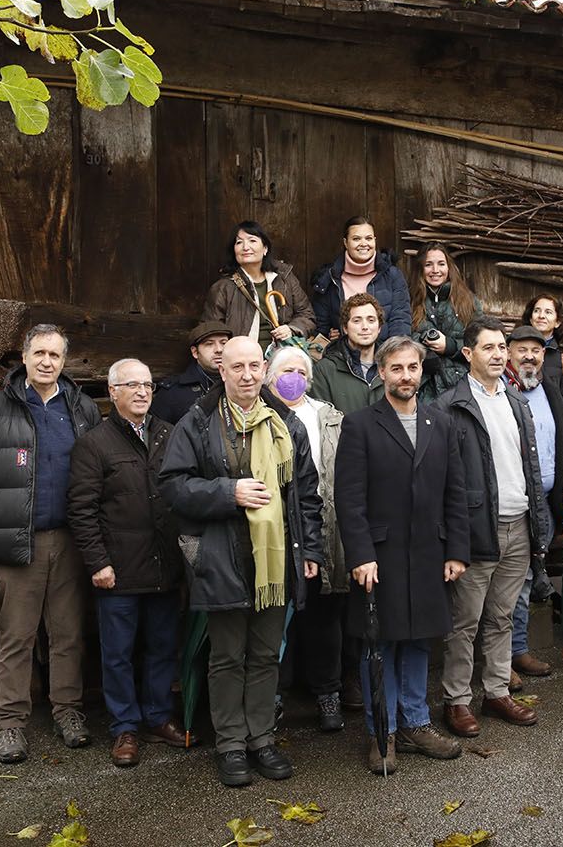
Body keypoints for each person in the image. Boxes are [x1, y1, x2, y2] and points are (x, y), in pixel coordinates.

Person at [158, 336, 324, 787]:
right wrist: (227, 493)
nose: (248, 375)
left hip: (275, 561)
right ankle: (231, 744)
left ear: (264, 370)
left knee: (267, 655)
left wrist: (311, 551)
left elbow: (306, 497)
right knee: (228, 656)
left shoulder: (288, 423)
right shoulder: (196, 423)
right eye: (238, 367)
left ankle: (262, 739)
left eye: (255, 366)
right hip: (221, 555)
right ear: (222, 371)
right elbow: (173, 486)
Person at [0, 324, 102, 764]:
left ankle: (68, 712)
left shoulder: (80, 408)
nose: (46, 361)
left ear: (64, 361)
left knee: (68, 635)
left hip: (71, 541)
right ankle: (11, 725)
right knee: (17, 637)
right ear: (24, 357)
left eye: (55, 355)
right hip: (19, 541)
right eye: (39, 353)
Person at [337, 336, 471, 774]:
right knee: (381, 641)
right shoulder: (360, 425)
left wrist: (456, 550)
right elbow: (349, 499)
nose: (406, 376)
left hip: (429, 553)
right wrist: (359, 554)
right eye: (396, 368)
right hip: (380, 555)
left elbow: (456, 491)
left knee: (417, 639)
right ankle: (383, 733)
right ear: (381, 372)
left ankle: (415, 724)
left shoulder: (441, 423)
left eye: (412, 368)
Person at [66, 358, 189, 767]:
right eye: (132, 385)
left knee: (161, 647)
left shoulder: (170, 436)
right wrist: (98, 562)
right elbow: (81, 510)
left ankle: (157, 715)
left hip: (164, 564)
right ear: (112, 391)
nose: (141, 392)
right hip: (117, 569)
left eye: (148, 385)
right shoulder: (94, 443)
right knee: (117, 652)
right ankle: (124, 727)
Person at [437, 317, 552, 737]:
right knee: (464, 621)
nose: (500, 354)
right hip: (475, 528)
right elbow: (443, 478)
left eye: (502, 346)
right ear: (468, 354)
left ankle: (497, 691)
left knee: (502, 616)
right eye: (489, 347)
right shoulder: (451, 406)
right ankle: (457, 700)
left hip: (517, 524)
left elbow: (529, 465)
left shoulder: (516, 401)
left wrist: (536, 520)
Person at [265, 346, 349, 733]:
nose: (293, 377)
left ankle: (327, 693)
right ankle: (275, 696)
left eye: (300, 370)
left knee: (323, 616)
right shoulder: (260, 415)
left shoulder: (328, 416)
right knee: (276, 619)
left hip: (321, 527)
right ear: (269, 375)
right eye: (286, 370)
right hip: (277, 531)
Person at [501, 325, 563, 680]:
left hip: (546, 501)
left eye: (537, 350)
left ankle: (518, 650)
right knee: (510, 582)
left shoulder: (547, 388)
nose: (530, 356)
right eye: (523, 350)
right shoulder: (501, 391)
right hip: (513, 503)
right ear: (508, 353)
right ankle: (503, 659)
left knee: (531, 577)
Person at [201, 221, 315, 354]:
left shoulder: (285, 279)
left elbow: (307, 315)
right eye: (239, 242)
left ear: (265, 248)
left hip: (283, 354)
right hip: (243, 358)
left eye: (252, 240)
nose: (245, 247)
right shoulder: (223, 287)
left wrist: (292, 329)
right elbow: (211, 329)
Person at [310, 215, 413, 344]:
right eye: (356, 239)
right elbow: (321, 328)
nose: (363, 244)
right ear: (345, 243)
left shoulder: (392, 275)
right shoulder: (330, 279)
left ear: (375, 241)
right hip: (343, 357)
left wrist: (394, 355)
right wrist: (332, 339)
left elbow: (400, 320)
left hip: (385, 356)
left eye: (368, 238)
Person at [410, 242, 485, 400]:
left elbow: (482, 344)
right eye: (428, 264)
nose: (435, 270)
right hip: (423, 389)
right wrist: (425, 347)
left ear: (449, 268)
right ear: (420, 269)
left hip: (461, 386)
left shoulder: (468, 302)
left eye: (441, 264)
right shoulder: (409, 302)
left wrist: (449, 346)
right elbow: (403, 339)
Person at [309, 293, 384, 414]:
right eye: (357, 321)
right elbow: (322, 422)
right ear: (345, 327)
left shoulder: (392, 366)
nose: (365, 327)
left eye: (371, 320)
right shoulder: (325, 370)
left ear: (379, 327)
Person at [152, 321, 232, 426]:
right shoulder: (173, 393)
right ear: (195, 352)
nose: (219, 350)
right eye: (209, 344)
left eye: (224, 343)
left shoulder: (244, 383)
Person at [523, 293, 563, 410]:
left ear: (557, 322)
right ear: (530, 319)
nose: (541, 316)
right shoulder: (514, 351)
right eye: (537, 311)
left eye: (548, 312)